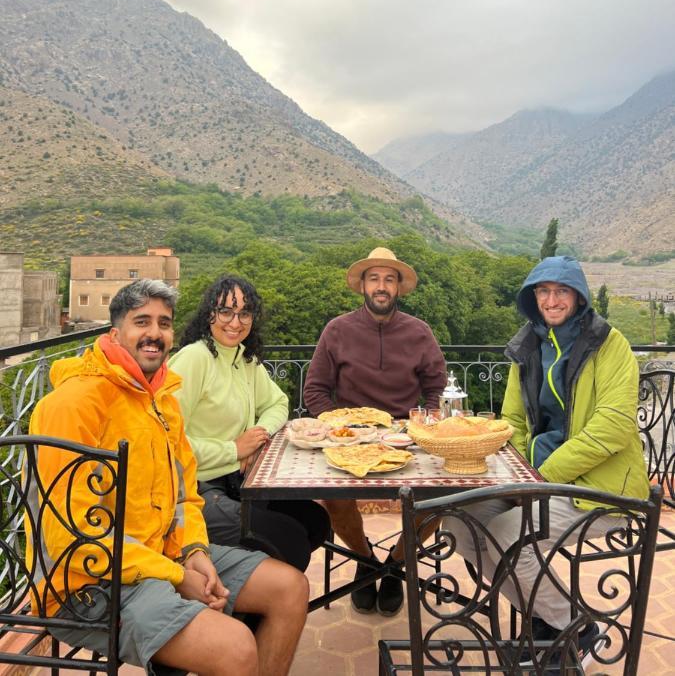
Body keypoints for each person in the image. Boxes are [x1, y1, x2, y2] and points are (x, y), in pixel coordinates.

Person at [28, 279, 308, 676]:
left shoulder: (160, 401)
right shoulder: (73, 405)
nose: (155, 333)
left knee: (290, 589)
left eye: (164, 323)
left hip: (162, 555)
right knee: (235, 647)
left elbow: (183, 497)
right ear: (114, 333)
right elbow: (71, 537)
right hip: (87, 583)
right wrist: (178, 574)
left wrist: (194, 551)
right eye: (142, 321)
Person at [450, 255, 650, 657]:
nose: (552, 300)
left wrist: (538, 474)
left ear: (579, 297)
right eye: (543, 291)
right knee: (461, 525)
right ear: (532, 298)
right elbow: (511, 420)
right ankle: (546, 617)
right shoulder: (528, 346)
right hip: (537, 479)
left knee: (509, 537)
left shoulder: (610, 345)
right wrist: (517, 469)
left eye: (562, 291)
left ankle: (575, 628)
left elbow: (612, 427)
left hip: (598, 487)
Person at [304, 246, 447, 616]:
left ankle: (394, 568)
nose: (381, 286)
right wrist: (342, 426)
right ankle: (366, 560)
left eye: (388, 279)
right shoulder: (337, 330)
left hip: (406, 439)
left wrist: (422, 422)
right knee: (334, 500)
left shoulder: (420, 332)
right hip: (351, 438)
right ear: (362, 286)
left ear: (398, 288)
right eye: (374, 279)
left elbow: (436, 388)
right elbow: (315, 390)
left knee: (438, 502)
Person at [169, 275, 330, 572]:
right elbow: (166, 441)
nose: (235, 322)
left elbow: (278, 403)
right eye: (226, 311)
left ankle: (250, 587)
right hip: (194, 491)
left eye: (244, 313)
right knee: (289, 541)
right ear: (210, 314)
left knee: (316, 521)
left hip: (239, 482)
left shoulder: (244, 359)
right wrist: (233, 449)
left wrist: (257, 436)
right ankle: (255, 600)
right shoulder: (194, 359)